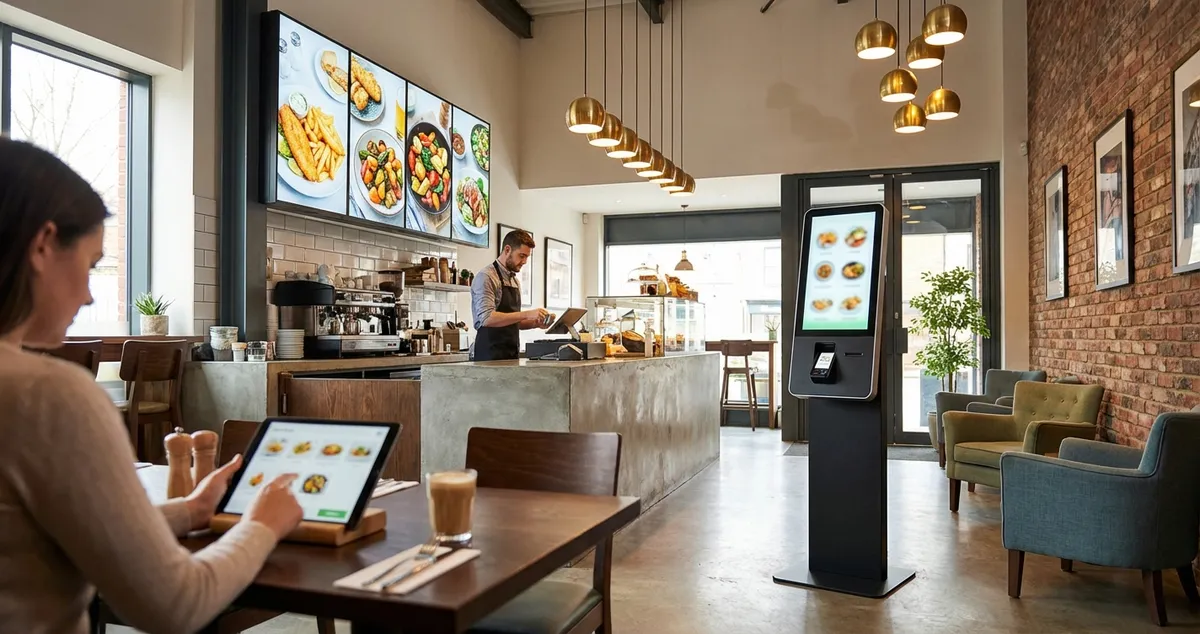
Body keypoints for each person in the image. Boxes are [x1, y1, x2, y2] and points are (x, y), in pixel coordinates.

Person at [0, 139, 304, 634]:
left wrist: (189, 511)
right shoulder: (50, 396)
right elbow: (176, 605)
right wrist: (262, 524)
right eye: (91, 264)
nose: (88, 293)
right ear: (42, 245)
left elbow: (61, 535)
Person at [470, 229, 553, 361]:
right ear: (507, 250)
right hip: (489, 357)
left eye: (527, 257)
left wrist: (536, 323)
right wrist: (527, 314)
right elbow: (487, 318)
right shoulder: (486, 277)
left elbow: (512, 322)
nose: (525, 261)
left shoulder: (514, 281)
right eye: (521, 256)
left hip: (511, 355)